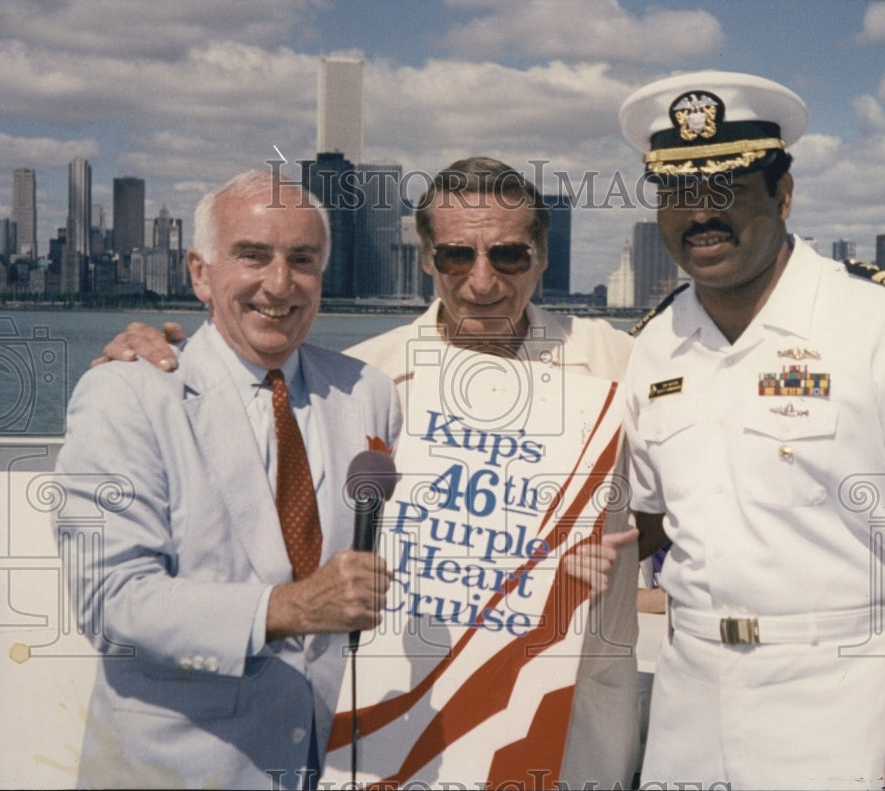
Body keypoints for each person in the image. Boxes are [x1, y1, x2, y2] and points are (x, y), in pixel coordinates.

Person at [94, 157, 642, 787]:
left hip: (571, 719)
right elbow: (244, 402)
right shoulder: (363, 383)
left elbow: (673, 507)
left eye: (510, 256)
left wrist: (593, 555)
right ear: (428, 259)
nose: (483, 282)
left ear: (542, 257)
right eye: (457, 256)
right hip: (404, 720)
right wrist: (146, 358)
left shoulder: (623, 366)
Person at [618, 70, 885, 789]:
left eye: (726, 191)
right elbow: (648, 520)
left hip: (844, 697)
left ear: (783, 196)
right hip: (688, 704)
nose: (701, 216)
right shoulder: (652, 346)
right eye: (680, 196)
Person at [55, 170, 401, 789]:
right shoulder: (126, 394)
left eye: (302, 260)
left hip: (314, 766)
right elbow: (109, 602)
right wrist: (288, 607)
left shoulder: (366, 394)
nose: (279, 283)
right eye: (252, 256)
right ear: (199, 273)